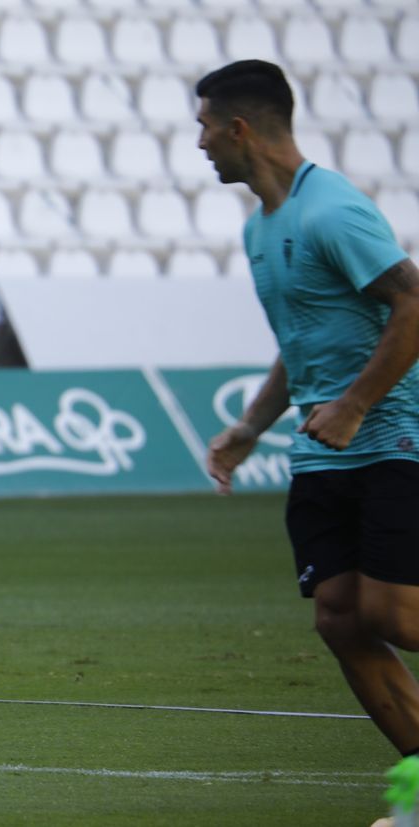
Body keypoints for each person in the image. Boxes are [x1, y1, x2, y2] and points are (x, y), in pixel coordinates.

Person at [198, 60, 419, 788]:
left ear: (239, 129)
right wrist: (251, 426)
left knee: (394, 613)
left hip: (394, 436)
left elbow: (413, 304)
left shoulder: (332, 210)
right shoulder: (262, 231)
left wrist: (355, 403)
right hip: (324, 454)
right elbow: (304, 343)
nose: (200, 144)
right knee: (340, 619)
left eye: (204, 127)